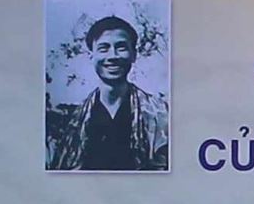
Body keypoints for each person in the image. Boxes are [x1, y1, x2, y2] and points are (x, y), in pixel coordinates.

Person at [47, 15, 169, 171]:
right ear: (91, 56)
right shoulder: (69, 123)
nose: (112, 56)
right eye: (103, 48)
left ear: (134, 54)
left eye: (121, 47)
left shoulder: (161, 115)